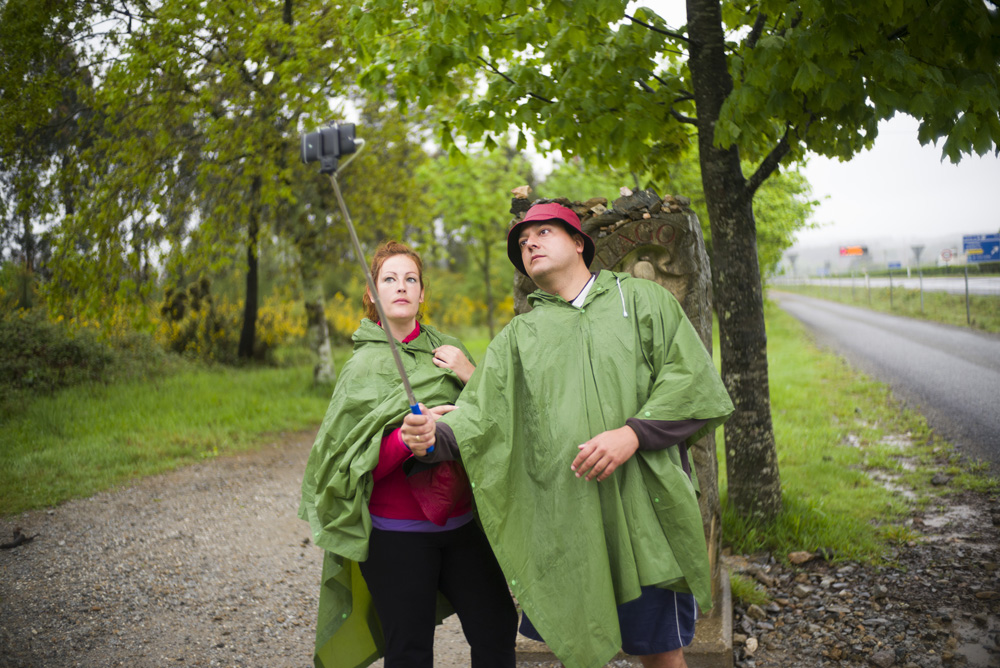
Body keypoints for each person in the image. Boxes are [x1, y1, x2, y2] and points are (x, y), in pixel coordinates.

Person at [401, 203, 735, 668]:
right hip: (566, 516)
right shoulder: (521, 335)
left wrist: (633, 435)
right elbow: (484, 412)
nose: (530, 243)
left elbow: (691, 382)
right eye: (522, 242)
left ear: (579, 242)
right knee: (577, 646)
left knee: (662, 655)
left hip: (644, 512)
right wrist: (433, 436)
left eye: (542, 232)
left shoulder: (641, 300)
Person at [298, 241, 517, 668]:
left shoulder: (450, 353)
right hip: (396, 536)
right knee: (409, 651)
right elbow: (344, 467)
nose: (401, 287)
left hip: (463, 526)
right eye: (389, 279)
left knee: (495, 629)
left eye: (411, 279)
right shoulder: (360, 370)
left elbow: (497, 424)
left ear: (422, 293)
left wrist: (469, 374)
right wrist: (403, 440)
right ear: (373, 293)